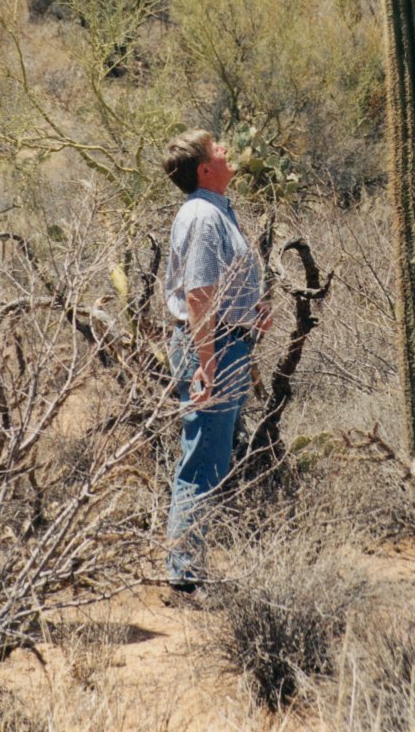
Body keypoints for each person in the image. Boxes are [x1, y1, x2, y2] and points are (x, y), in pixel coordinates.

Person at [162, 129, 271, 593]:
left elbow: (219, 290)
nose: (226, 150)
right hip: (212, 347)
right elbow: (200, 294)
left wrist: (252, 312)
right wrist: (206, 362)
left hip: (224, 341)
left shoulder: (212, 211)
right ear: (205, 169)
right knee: (203, 459)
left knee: (208, 455)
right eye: (217, 149)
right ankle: (185, 576)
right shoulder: (205, 216)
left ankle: (187, 567)